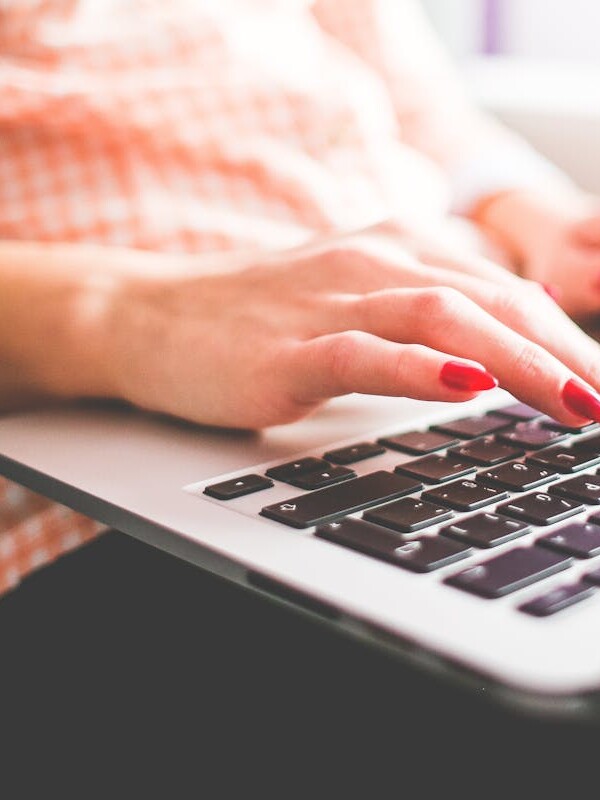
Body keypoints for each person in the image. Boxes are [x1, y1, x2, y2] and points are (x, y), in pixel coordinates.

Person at [1, 0, 600, 603]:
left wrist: (542, 219)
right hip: (112, 479)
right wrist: (127, 315)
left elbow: (430, 114)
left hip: (479, 362)